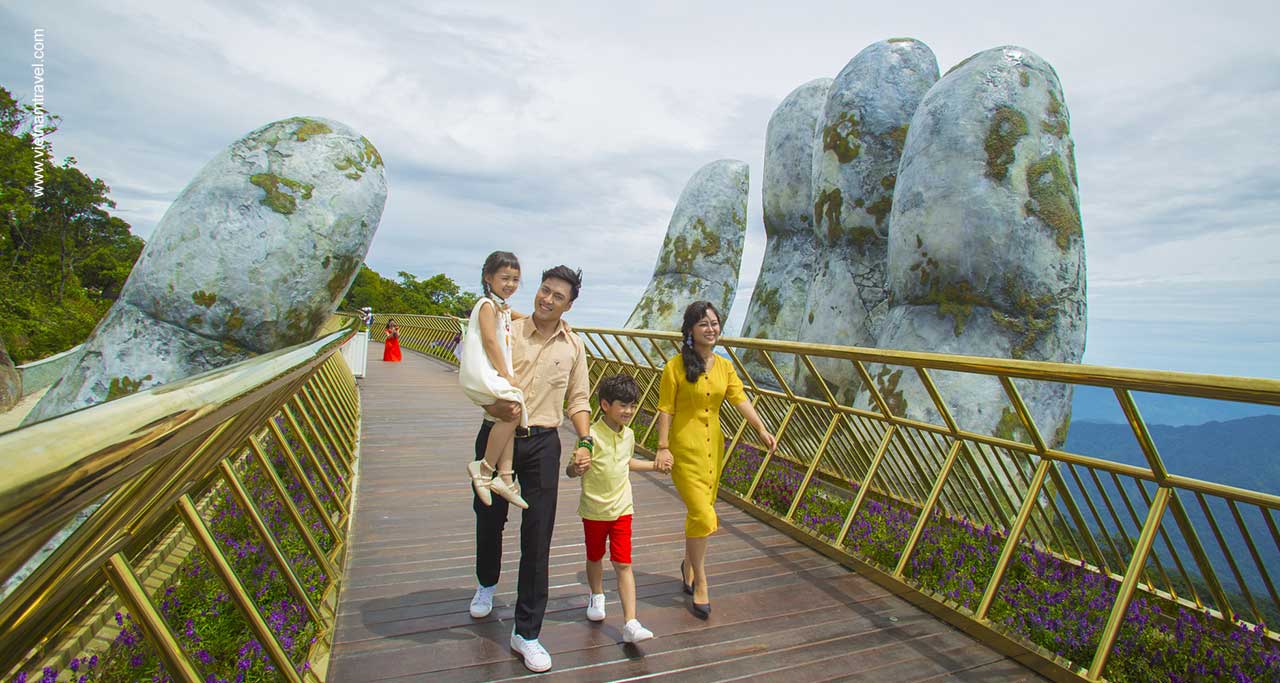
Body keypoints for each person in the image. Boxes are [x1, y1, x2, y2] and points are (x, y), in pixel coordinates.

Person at [467, 265, 591, 674]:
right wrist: (492, 406)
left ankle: (527, 632)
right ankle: (486, 583)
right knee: (489, 519)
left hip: (543, 443)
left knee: (537, 538)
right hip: (497, 433)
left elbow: (578, 400)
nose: (547, 299)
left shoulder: (574, 347)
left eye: (558, 296)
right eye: (544, 290)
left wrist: (586, 440)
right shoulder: (508, 329)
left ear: (569, 305)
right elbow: (478, 375)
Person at [653, 301, 776, 619]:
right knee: (703, 515)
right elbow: (665, 409)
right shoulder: (674, 367)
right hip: (684, 449)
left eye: (715, 323)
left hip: (713, 450)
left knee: (699, 515)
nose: (711, 329)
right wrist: (662, 447)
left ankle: (687, 566)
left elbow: (739, 399)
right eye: (703, 324)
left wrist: (761, 428)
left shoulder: (724, 365)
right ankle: (702, 582)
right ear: (691, 330)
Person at [566, 374, 669, 643]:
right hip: (594, 509)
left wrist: (654, 466)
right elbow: (571, 469)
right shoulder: (589, 437)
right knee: (595, 557)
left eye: (632, 406)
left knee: (623, 563)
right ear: (604, 405)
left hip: (623, 508)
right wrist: (575, 468)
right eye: (622, 405)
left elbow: (626, 462)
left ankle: (631, 623)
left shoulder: (630, 435)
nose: (628, 411)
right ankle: (597, 595)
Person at [459, 251, 529, 509]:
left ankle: (506, 479)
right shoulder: (487, 306)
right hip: (481, 372)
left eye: (515, 279)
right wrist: (507, 375)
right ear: (488, 277)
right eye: (505, 278)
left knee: (508, 415)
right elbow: (490, 341)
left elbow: (519, 317)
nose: (510, 284)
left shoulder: (500, 307)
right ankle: (485, 468)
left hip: (488, 371)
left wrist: (558, 322)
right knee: (515, 406)